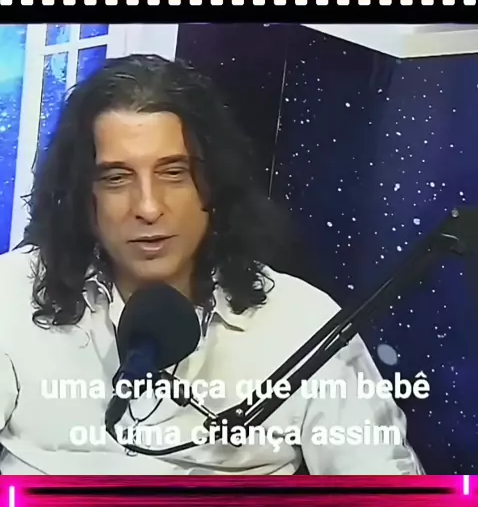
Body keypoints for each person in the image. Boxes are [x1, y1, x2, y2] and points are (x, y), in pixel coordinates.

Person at [0, 54, 422, 475]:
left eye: (174, 173)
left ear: (215, 183)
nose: (148, 207)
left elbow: (388, 499)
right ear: (79, 195)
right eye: (116, 178)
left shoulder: (305, 325)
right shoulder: (11, 295)